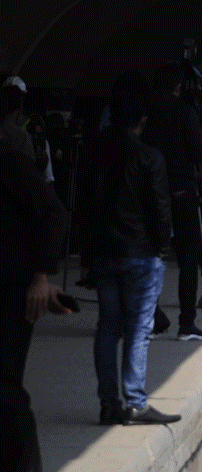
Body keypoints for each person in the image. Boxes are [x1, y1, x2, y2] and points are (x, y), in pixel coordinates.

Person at [82, 85, 181, 425]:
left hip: (104, 253)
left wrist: (88, 255)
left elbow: (83, 206)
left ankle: (108, 404)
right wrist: (162, 247)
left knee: (107, 327)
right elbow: (160, 207)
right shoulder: (149, 157)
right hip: (140, 253)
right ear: (142, 120)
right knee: (138, 327)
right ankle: (135, 401)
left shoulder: (94, 153)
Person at [1, 127, 71, 472]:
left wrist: (42, 277)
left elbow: (54, 215)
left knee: (5, 386)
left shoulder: (11, 165)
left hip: (13, 293)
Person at [143, 61, 202, 341]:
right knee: (188, 257)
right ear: (178, 87)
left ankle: (148, 316)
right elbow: (196, 153)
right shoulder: (185, 111)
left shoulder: (144, 109)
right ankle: (187, 322)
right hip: (181, 189)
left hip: (147, 188)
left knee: (148, 255)